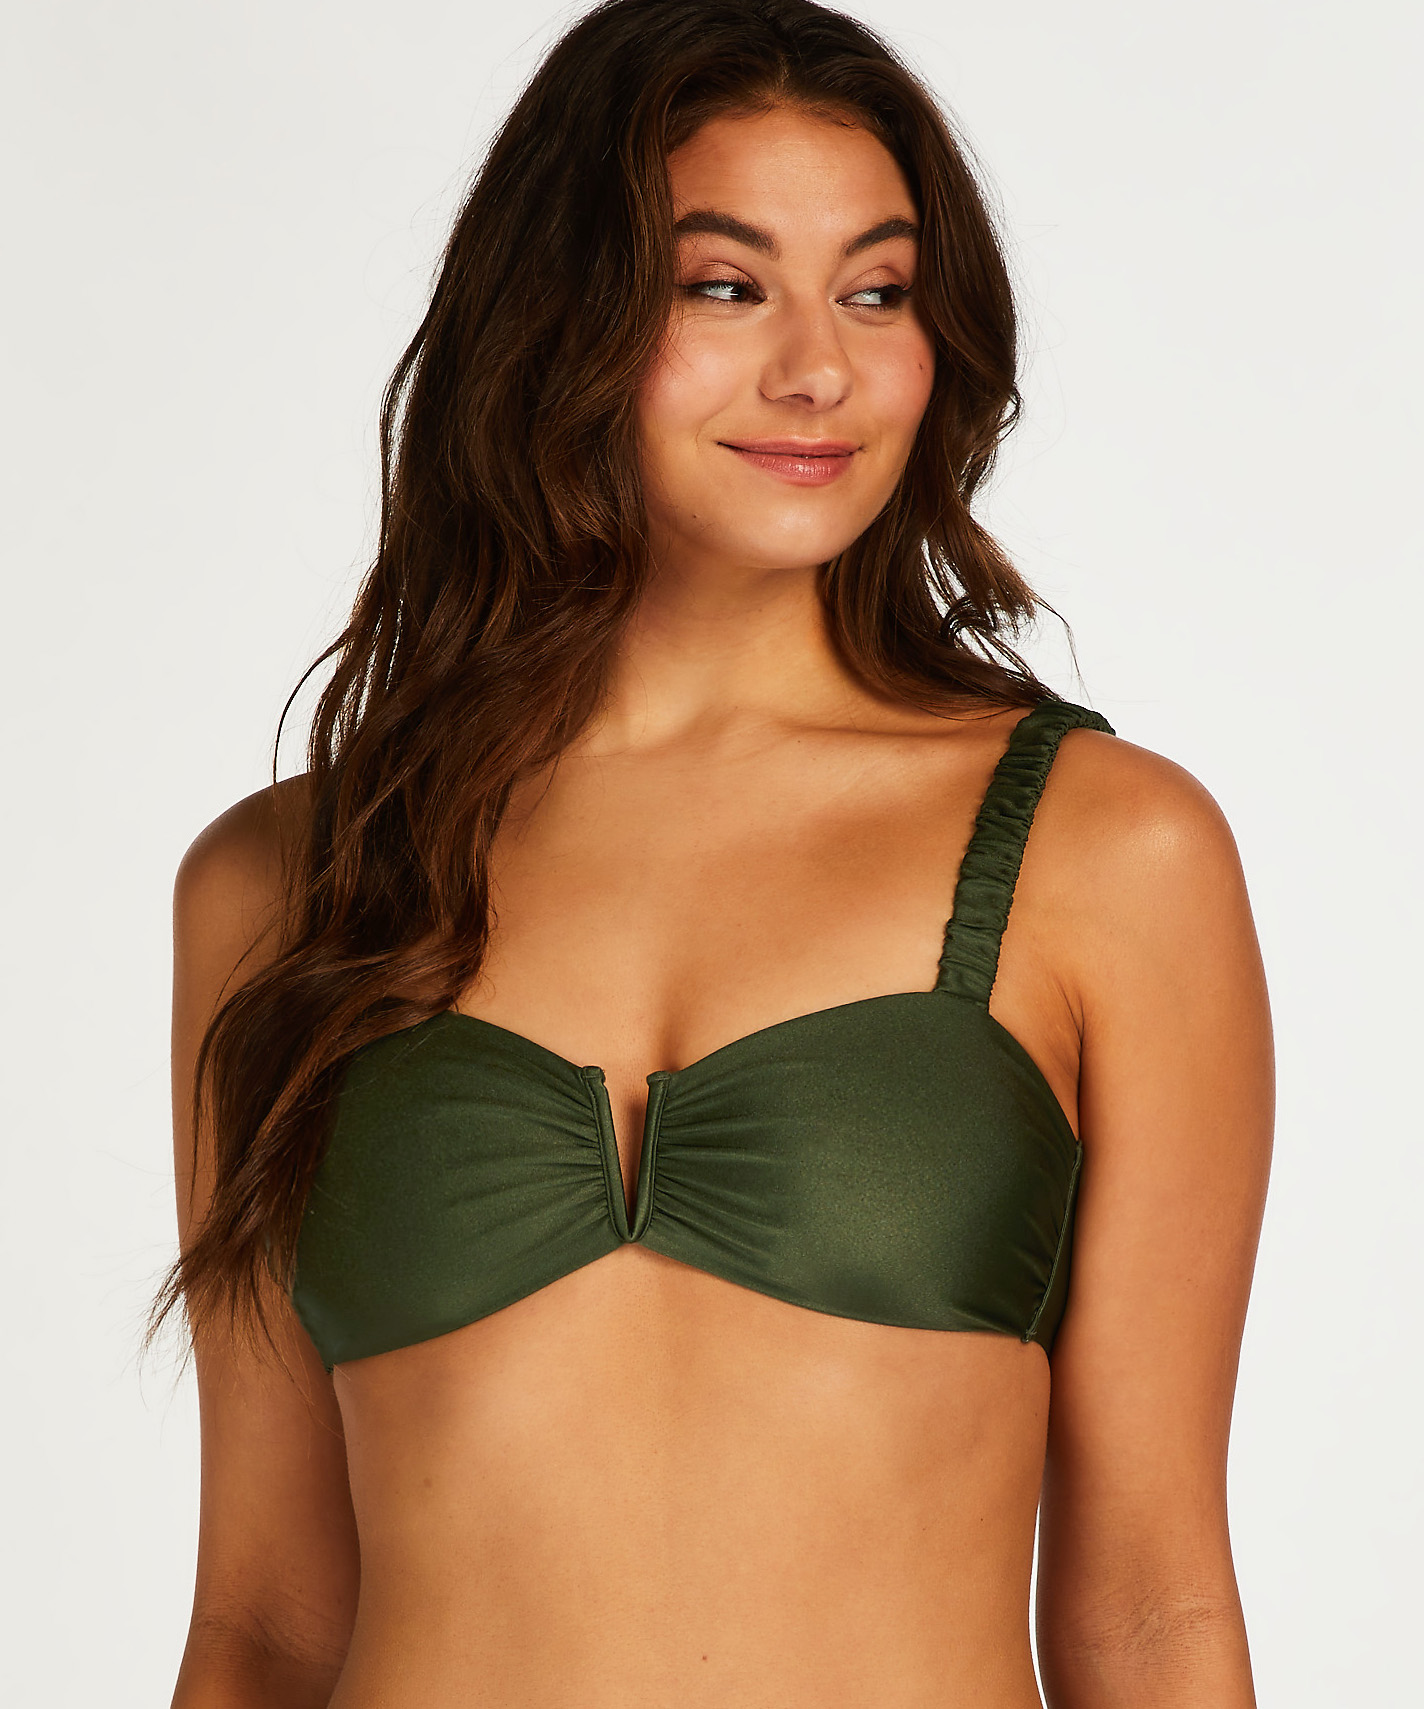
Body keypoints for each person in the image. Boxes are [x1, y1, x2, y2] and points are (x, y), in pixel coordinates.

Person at [159, 2, 1273, 1704]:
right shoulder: (288, 886)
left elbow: (1150, 1607)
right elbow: (264, 1619)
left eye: (878, 292)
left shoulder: (1108, 853)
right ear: (561, 317)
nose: (819, 368)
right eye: (726, 285)